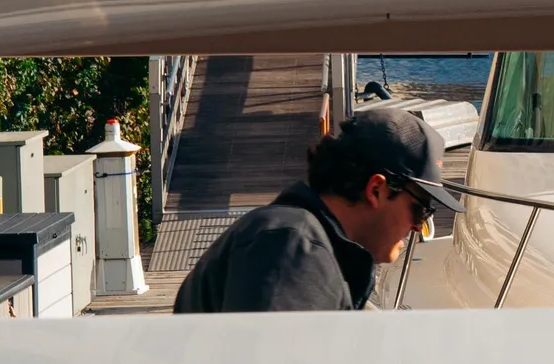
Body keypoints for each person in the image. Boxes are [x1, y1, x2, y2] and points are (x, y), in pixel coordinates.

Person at [169, 108, 457, 313]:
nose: (419, 227)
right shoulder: (292, 248)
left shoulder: (298, 240)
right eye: (421, 210)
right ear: (376, 190)